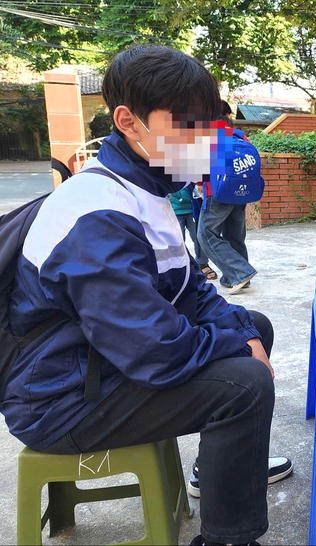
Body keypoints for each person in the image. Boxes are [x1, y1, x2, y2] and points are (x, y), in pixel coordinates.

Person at [1, 45, 290, 546]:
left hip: (100, 363)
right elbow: (152, 351)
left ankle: (215, 467)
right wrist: (238, 350)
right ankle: (227, 539)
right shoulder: (97, 215)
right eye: (186, 124)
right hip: (61, 399)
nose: (202, 139)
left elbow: (190, 287)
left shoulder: (146, 184)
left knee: (253, 325)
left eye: (208, 123)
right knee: (244, 385)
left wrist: (241, 334)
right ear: (128, 121)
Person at [198, 102, 257, 294]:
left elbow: (200, 170)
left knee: (206, 234)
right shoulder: (239, 135)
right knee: (235, 235)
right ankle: (237, 278)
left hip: (217, 194)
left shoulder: (209, 136)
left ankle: (240, 273)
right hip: (241, 192)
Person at [169, 184, 217, 280]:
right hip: (173, 209)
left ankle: (202, 264)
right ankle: (179, 267)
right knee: (176, 241)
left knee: (199, 238)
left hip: (193, 208)